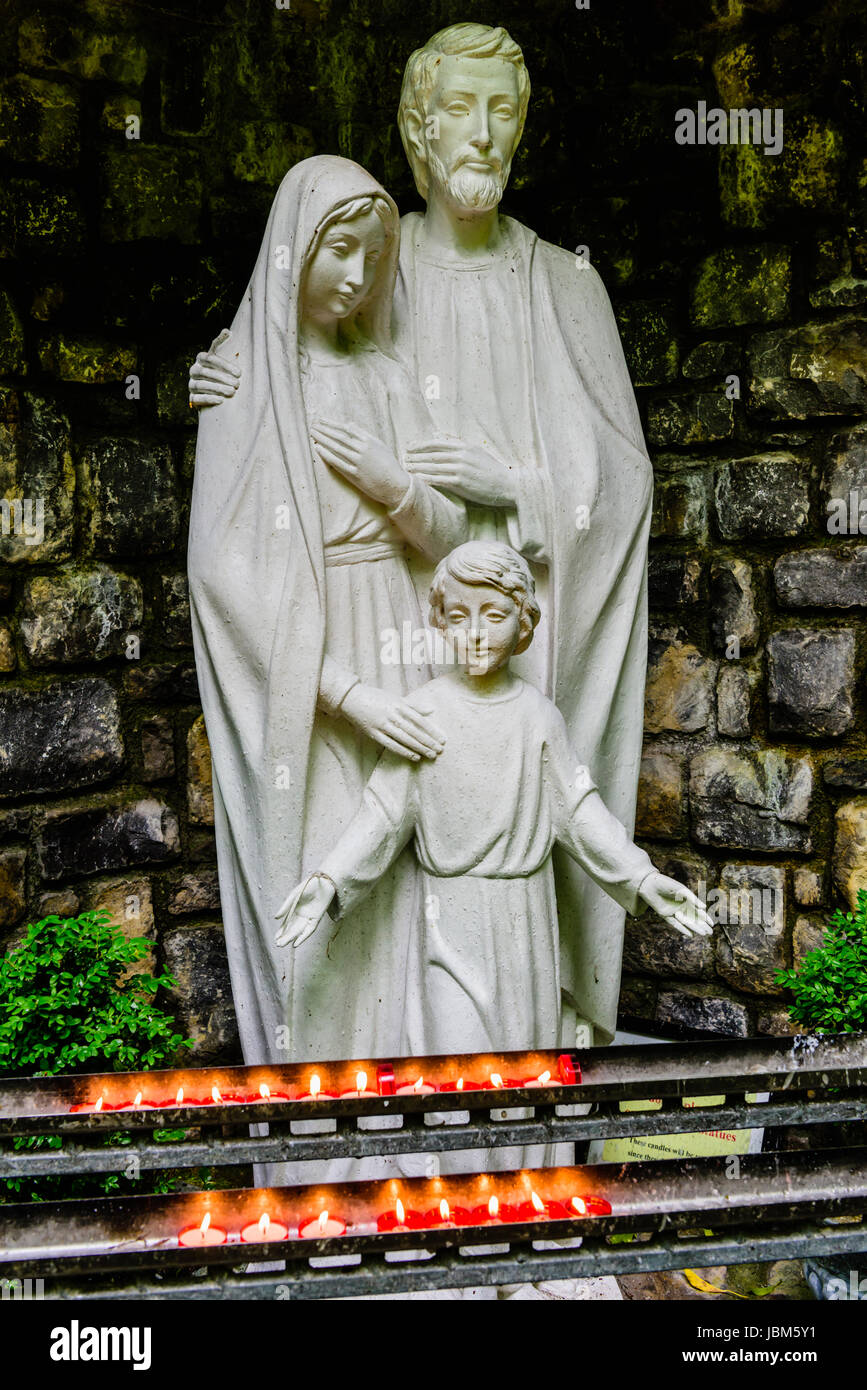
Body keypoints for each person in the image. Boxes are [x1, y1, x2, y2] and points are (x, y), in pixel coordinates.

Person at [189, 23, 655, 1054]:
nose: (483, 135)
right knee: (370, 861)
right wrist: (221, 368)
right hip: (378, 633)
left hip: (504, 632)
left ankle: (498, 1106)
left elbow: (621, 490)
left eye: (505, 111)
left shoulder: (565, 286)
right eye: (461, 109)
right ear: (416, 129)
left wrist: (514, 484)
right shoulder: (373, 257)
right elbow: (282, 332)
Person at [188, 155, 470, 1154]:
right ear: (292, 253)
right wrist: (342, 690)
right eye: (337, 249)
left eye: (373, 253)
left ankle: (416, 1137)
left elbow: (457, 540)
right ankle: (326, 1143)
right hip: (309, 675)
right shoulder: (239, 386)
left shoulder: (390, 382)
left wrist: (396, 485)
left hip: (407, 635)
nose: (357, 273)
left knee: (414, 892)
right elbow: (225, 573)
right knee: (320, 887)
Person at [275, 541, 712, 1065]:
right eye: (458, 616)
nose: (476, 632)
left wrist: (641, 878)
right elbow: (385, 816)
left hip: (525, 920)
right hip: (450, 921)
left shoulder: (537, 717)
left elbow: (578, 811)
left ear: (523, 622)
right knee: (456, 1059)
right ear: (439, 621)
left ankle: (524, 1153)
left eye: (495, 615)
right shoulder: (426, 712)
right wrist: (329, 880)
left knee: (522, 1064)